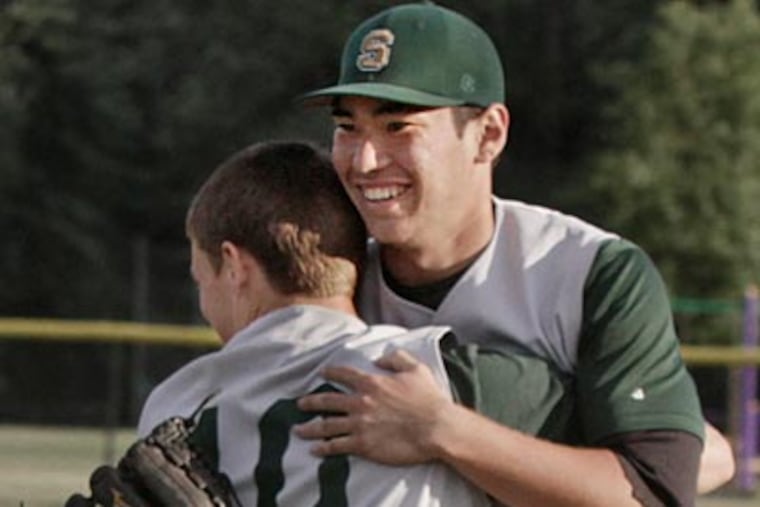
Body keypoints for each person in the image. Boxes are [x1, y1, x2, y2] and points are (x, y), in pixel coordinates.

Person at [294, 3, 735, 506]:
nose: (365, 160)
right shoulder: (325, 274)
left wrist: (443, 429)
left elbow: (653, 493)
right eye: (348, 127)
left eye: (398, 127)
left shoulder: (590, 270)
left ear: (488, 134)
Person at [137, 140, 579, 506]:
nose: (205, 303)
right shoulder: (431, 376)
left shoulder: (176, 406)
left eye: (201, 278)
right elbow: (626, 476)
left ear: (234, 266)